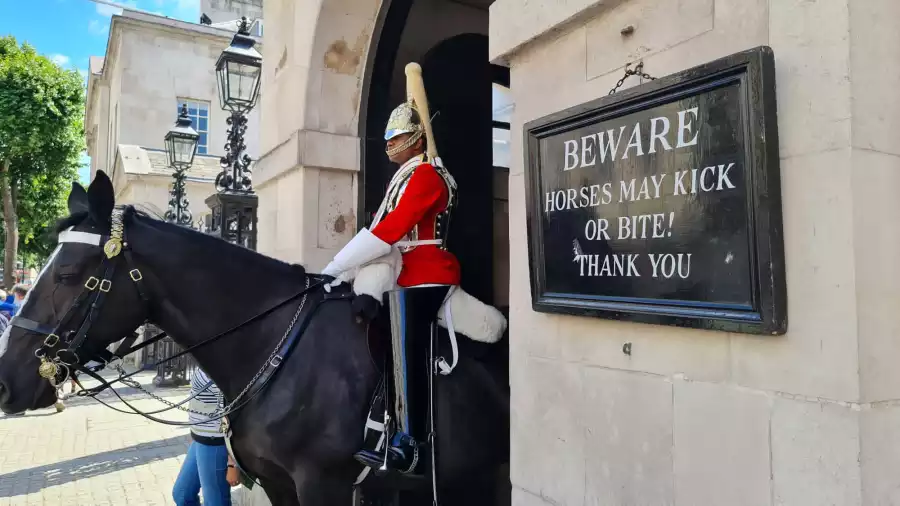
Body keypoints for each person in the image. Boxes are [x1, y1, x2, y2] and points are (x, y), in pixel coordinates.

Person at [321, 62, 459, 475]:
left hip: (428, 270)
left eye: (398, 136)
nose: (390, 142)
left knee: (406, 336)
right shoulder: (404, 176)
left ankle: (409, 442)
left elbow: (388, 230)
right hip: (404, 267)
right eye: (389, 136)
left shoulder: (426, 178)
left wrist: (336, 265)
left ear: (417, 139)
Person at [172, 368, 240, 506]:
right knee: (182, 494)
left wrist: (233, 464)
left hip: (216, 444)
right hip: (199, 440)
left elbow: (237, 415)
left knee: (215, 502)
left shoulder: (225, 364)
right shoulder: (204, 358)